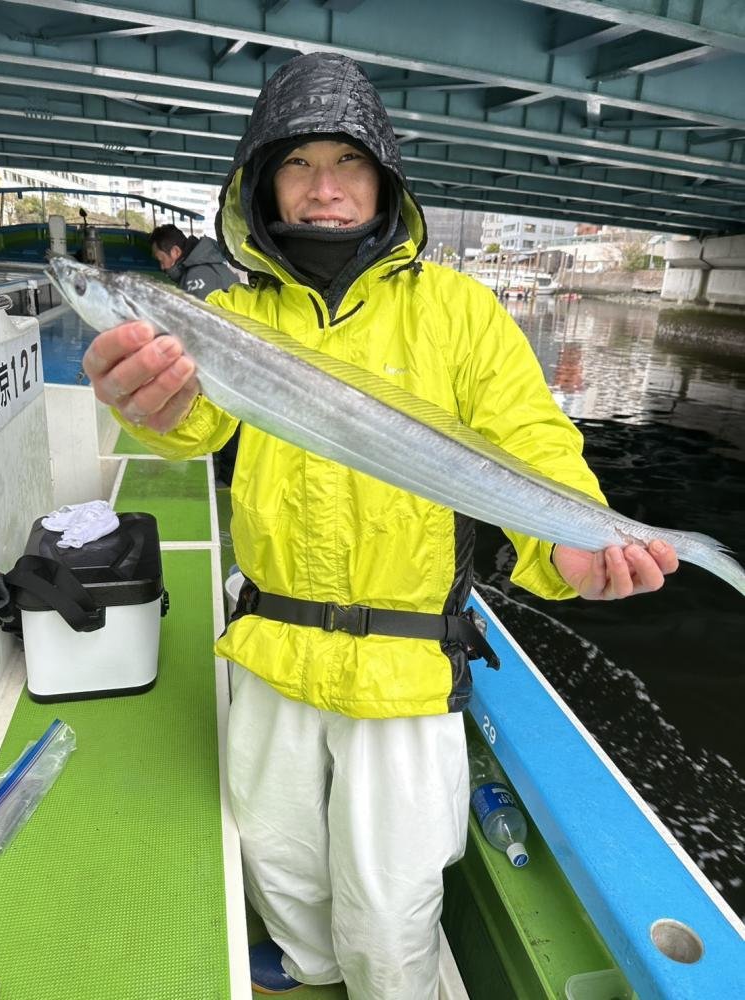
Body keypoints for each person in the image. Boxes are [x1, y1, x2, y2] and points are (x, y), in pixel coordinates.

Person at [82, 53, 679, 999]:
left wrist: (565, 542)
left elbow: (532, 444)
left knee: (391, 907)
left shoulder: (460, 312)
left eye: (348, 162)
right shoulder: (231, 314)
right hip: (271, 641)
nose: (323, 188)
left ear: (386, 179)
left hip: (404, 662)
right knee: (277, 853)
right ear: (260, 184)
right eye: (297, 163)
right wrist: (144, 405)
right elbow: (191, 424)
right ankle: (307, 961)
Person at [149, 223, 240, 484]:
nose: (162, 267)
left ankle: (226, 476)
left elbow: (196, 332)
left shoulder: (197, 277)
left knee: (227, 425)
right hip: (233, 362)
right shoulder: (212, 267)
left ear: (176, 252)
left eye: (162, 260)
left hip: (222, 367)